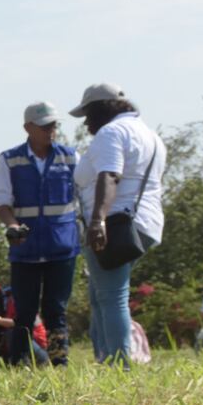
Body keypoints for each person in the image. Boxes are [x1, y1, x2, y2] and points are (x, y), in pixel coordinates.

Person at [70, 83, 165, 366]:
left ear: (102, 109)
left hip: (116, 222)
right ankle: (105, 357)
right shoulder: (151, 135)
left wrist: (98, 220)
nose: (86, 122)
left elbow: (110, 175)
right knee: (101, 294)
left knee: (112, 296)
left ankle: (118, 365)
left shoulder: (111, 132)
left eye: (88, 114)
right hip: (145, 223)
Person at [0, 102, 78, 367]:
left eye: (53, 125)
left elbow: (85, 196)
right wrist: (12, 226)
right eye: (44, 126)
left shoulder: (71, 157)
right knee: (25, 311)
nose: (50, 131)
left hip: (61, 246)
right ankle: (18, 364)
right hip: (25, 249)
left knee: (56, 310)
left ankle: (59, 363)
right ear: (28, 128)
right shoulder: (10, 159)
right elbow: (2, 203)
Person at [0, 279, 49, 366]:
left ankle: (22, 367)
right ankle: (13, 364)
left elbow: (23, 324)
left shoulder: (16, 301)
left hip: (37, 350)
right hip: (10, 352)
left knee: (13, 333)